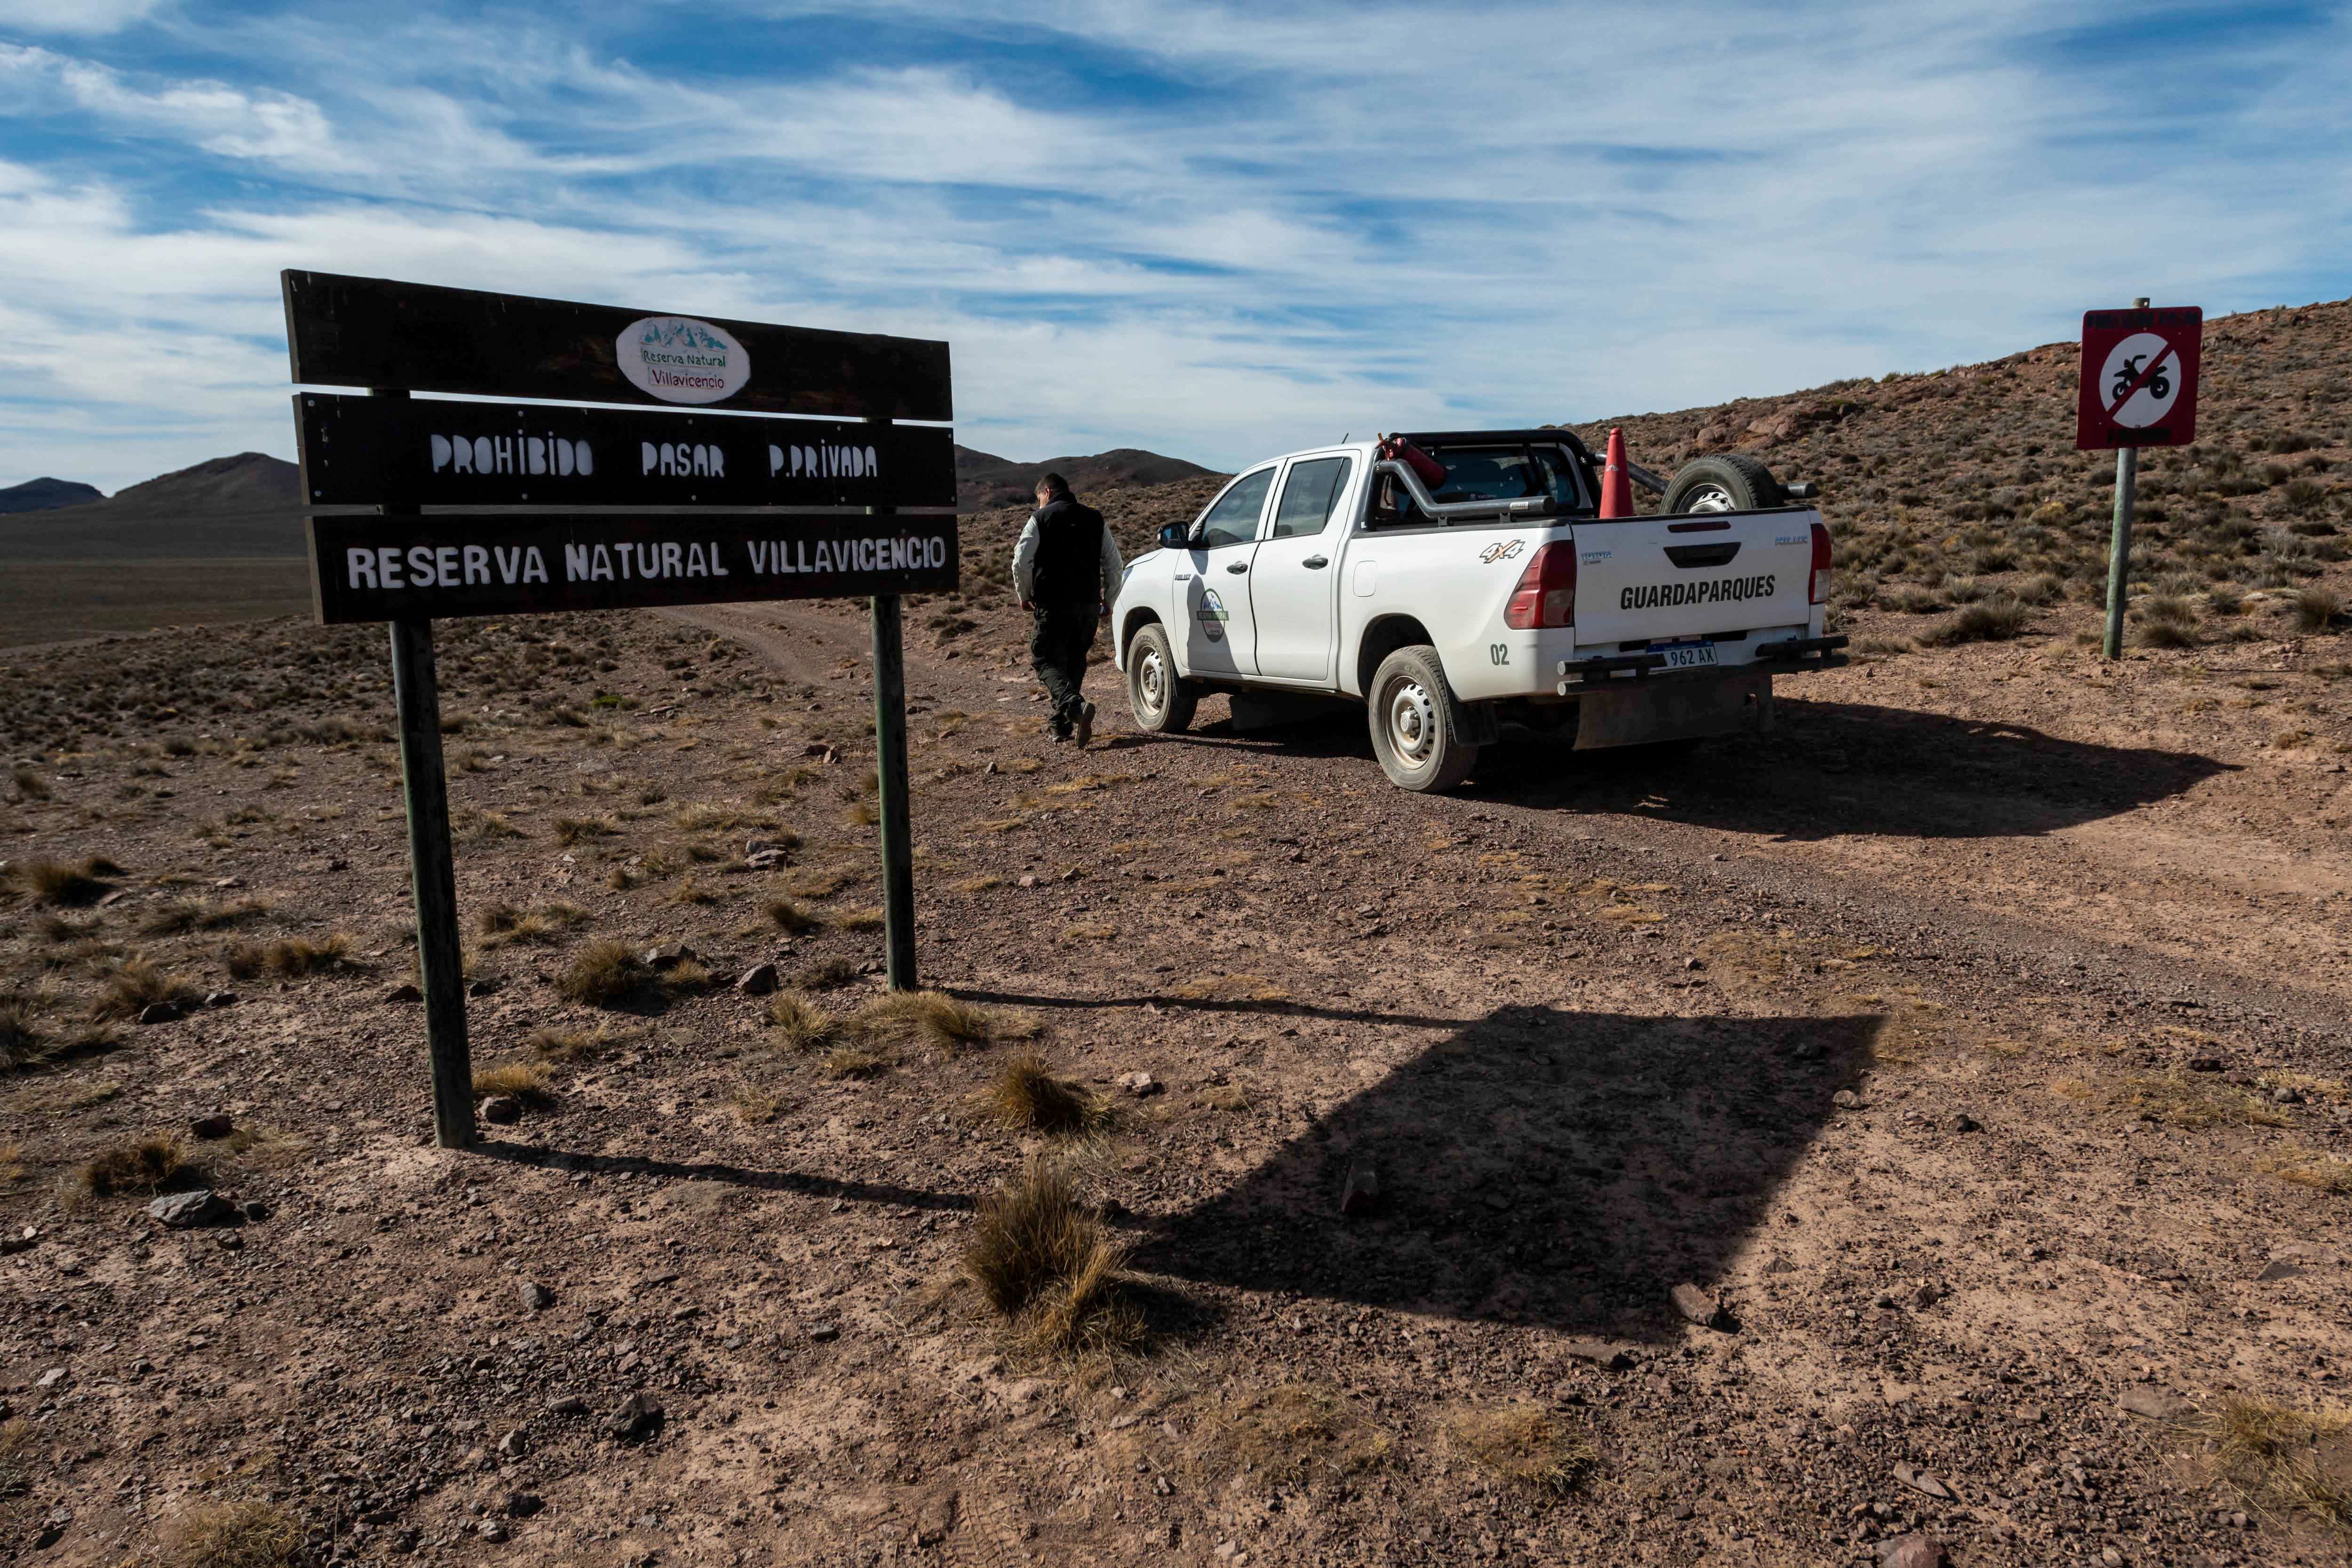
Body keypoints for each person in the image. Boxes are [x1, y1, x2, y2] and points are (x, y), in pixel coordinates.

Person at [1011, 472, 1122, 746]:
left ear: (1047, 493)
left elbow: (1021, 561)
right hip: (1088, 606)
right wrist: (1109, 599)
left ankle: (1074, 708)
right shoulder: (1096, 519)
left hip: (1053, 603)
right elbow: (1114, 564)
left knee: (1045, 658)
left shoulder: (1040, 518)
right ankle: (1060, 726)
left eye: (1039, 499)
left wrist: (1024, 594)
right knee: (1074, 661)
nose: (1039, 505)